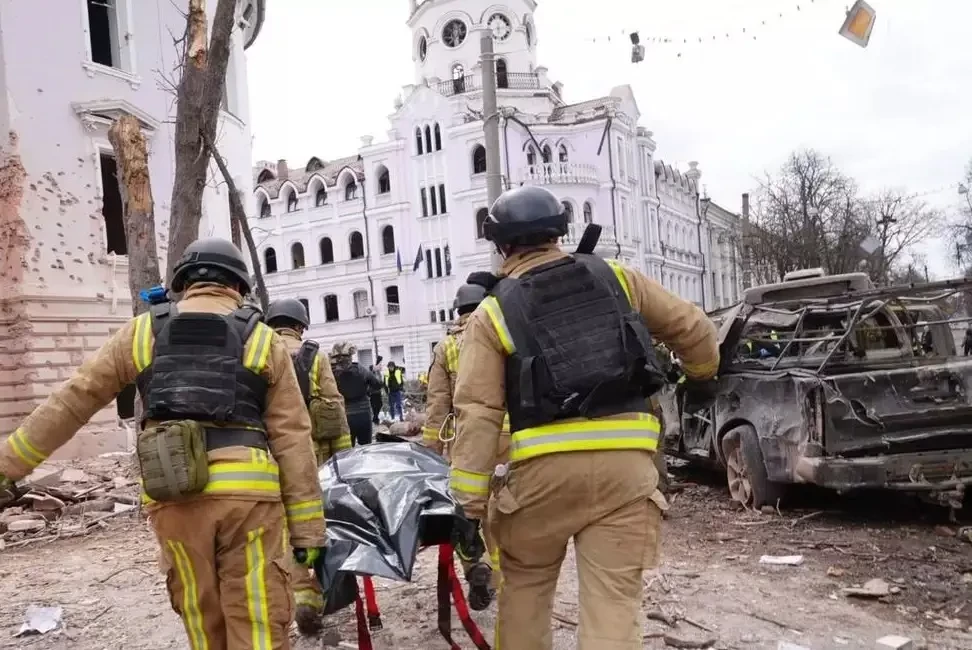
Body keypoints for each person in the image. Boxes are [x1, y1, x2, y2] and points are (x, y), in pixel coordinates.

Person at [0, 238, 326, 650]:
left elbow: (73, 400)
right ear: (238, 287)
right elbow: (293, 440)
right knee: (258, 621)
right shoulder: (263, 340)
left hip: (174, 497)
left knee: (203, 621)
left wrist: (7, 466)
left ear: (182, 283)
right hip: (250, 503)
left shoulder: (143, 331)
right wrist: (308, 536)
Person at [449, 187, 720, 650]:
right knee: (613, 605)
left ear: (501, 245)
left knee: (525, 593)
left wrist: (468, 508)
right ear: (560, 231)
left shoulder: (491, 314)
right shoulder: (619, 278)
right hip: (625, 473)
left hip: (540, 481)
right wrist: (701, 375)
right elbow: (695, 330)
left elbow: (478, 415)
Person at [264, 298, 352, 636]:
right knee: (312, 525)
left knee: (282, 530)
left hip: (267, 458)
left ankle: (293, 596)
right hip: (311, 457)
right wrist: (343, 460)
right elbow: (334, 411)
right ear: (300, 325)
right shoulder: (315, 356)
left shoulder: (255, 351)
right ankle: (312, 594)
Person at [424, 283, 510, 611]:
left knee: (467, 510)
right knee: (502, 508)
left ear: (457, 311)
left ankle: (477, 566)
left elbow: (437, 403)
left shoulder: (446, 346)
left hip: (468, 439)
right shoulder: (502, 333)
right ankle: (503, 575)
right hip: (509, 435)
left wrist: (431, 449)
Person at [331, 342, 382, 446]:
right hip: (363, 414)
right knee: (366, 447)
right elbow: (377, 384)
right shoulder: (361, 369)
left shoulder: (332, 373)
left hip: (344, 416)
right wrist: (375, 375)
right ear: (350, 356)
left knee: (348, 450)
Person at [368, 355, 385, 424]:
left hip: (378, 392)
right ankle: (375, 418)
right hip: (373, 393)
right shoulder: (370, 374)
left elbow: (380, 381)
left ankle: (375, 418)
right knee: (374, 406)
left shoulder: (377, 373)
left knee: (380, 404)